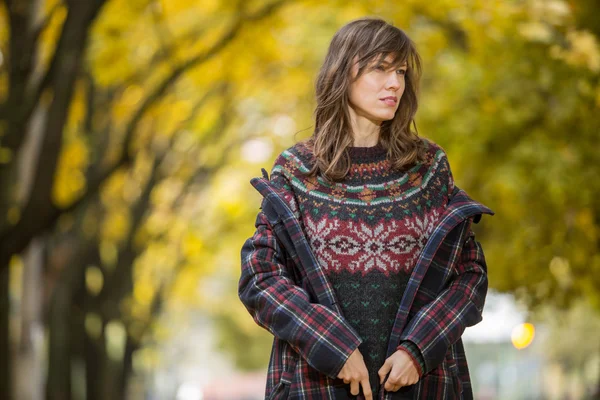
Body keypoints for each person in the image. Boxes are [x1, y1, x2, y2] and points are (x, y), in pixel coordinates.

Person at [238, 16, 494, 400]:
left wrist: (419, 349)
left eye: (401, 72)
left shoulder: (428, 168)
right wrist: (332, 347)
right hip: (316, 387)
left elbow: (470, 276)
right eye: (380, 68)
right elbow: (260, 278)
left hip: (423, 386)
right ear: (343, 73)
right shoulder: (295, 171)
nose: (395, 83)